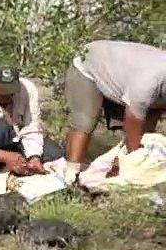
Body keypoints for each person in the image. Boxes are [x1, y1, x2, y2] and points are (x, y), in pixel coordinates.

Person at [62, 39, 166, 179]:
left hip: (126, 74)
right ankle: (70, 175)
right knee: (85, 122)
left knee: (145, 137)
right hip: (89, 65)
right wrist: (134, 157)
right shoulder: (148, 81)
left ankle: (118, 168)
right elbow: (133, 120)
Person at [0, 64, 64, 180]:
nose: (8, 95)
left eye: (11, 90)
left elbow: (31, 129)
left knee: (54, 153)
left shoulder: (27, 90)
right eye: (2, 91)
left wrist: (34, 156)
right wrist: (5, 156)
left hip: (17, 141)